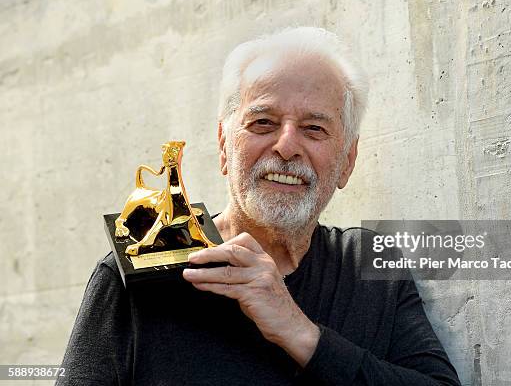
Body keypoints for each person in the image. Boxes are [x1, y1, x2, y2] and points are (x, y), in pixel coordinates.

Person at [58, 27, 461, 385]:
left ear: (347, 161)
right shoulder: (140, 274)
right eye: (262, 123)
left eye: (314, 129)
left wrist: (300, 333)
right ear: (222, 146)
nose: (286, 146)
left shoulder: (368, 266)